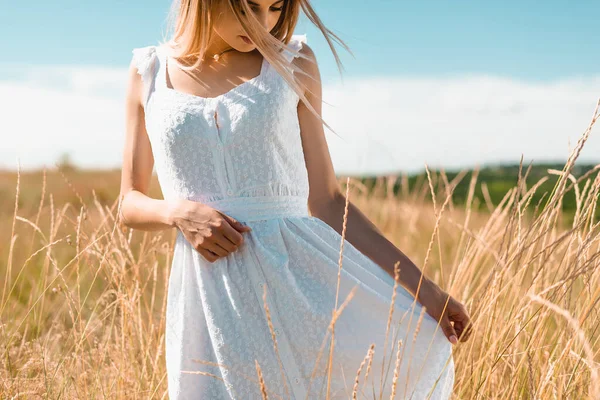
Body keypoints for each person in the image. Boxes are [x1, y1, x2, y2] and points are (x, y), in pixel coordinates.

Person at [119, 0, 473, 398]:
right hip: (207, 301)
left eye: (275, 8)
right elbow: (129, 202)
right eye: (250, 6)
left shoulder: (294, 62)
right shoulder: (148, 73)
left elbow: (327, 201)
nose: (264, 24)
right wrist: (177, 212)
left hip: (300, 291)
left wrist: (427, 292)